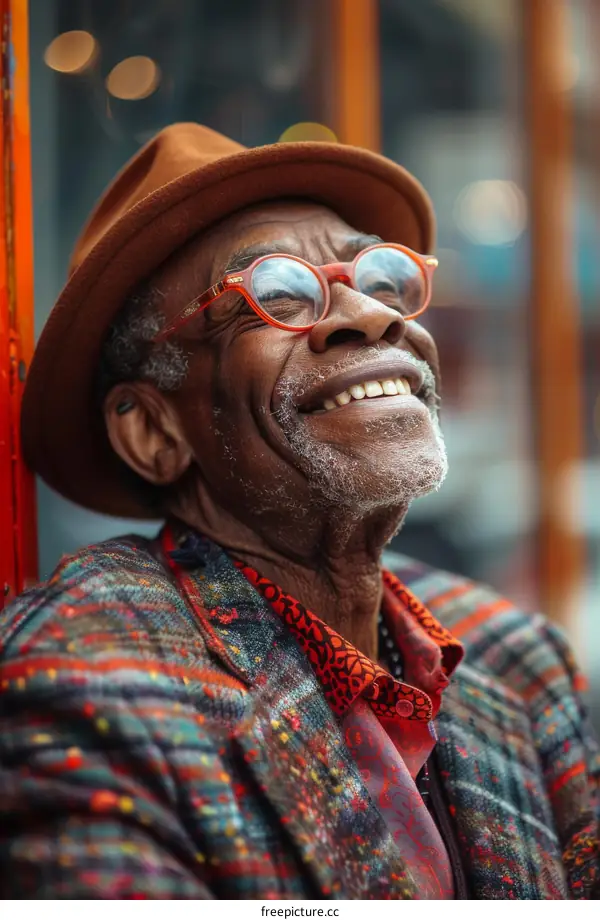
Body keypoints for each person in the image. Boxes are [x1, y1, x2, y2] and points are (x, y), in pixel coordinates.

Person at [0, 123, 598, 900]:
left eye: (383, 279)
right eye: (277, 294)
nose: (374, 315)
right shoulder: (85, 675)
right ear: (154, 432)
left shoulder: (518, 657)